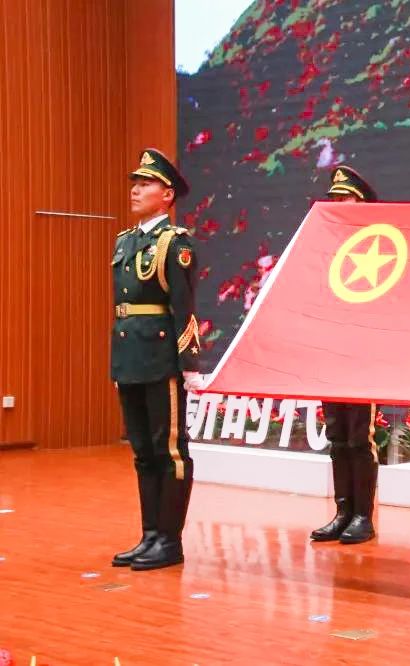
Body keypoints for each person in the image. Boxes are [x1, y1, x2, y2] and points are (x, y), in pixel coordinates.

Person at [111, 148, 203, 570]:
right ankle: (149, 536)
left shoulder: (175, 243)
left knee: (170, 451)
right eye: (135, 183)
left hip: (161, 359)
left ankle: (169, 540)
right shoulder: (125, 241)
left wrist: (189, 364)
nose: (135, 189)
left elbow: (183, 307)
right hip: (131, 357)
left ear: (167, 195)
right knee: (143, 451)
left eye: (145, 183)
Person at [309, 166, 380, 546]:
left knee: (359, 436)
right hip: (331, 352)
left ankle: (363, 516)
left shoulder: (380, 247)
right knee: (336, 435)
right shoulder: (326, 249)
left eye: (345, 198)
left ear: (363, 203)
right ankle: (342, 512)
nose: (338, 204)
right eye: (334, 199)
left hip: (363, 354)